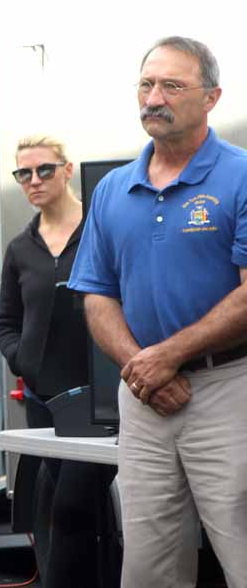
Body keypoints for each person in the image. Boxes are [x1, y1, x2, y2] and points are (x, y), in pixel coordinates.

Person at [69, 36, 247, 587]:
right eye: (146, 85)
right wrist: (141, 367)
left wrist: (166, 357)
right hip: (144, 399)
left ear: (212, 97)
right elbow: (97, 295)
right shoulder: (113, 189)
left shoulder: (240, 175)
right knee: (149, 568)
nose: (154, 98)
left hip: (229, 388)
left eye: (172, 85)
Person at [0, 135, 116, 588]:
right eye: (23, 173)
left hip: (98, 400)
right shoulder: (20, 248)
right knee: (63, 512)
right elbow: (6, 321)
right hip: (44, 400)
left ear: (68, 170)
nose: (34, 180)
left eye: (44, 169)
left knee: (72, 507)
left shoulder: (98, 229)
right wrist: (21, 359)